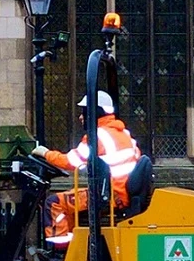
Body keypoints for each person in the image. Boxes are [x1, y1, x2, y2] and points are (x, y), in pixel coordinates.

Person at [35, 91, 144, 245]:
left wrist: (45, 153)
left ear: (95, 112)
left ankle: (58, 256)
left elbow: (71, 162)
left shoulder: (97, 136)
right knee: (70, 202)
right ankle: (74, 249)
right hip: (121, 193)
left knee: (54, 203)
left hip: (109, 196)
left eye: (84, 112)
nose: (81, 117)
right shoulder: (124, 134)